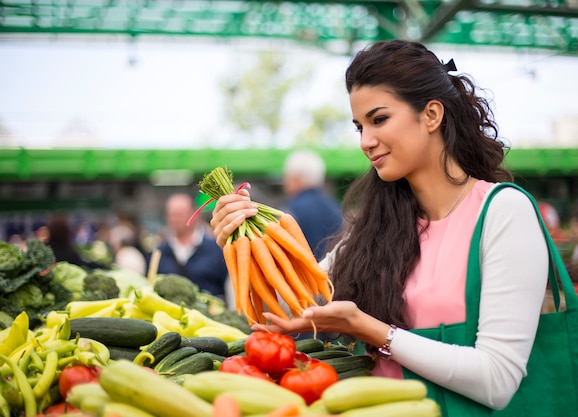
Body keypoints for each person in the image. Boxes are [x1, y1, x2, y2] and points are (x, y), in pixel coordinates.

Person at [210, 40, 550, 411]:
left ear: (432, 115)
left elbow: (497, 380)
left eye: (379, 119)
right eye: (359, 127)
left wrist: (372, 330)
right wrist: (246, 240)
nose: (366, 142)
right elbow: (294, 308)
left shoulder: (504, 212)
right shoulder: (375, 224)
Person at [150, 193, 229, 298]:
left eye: (180, 214)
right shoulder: (159, 252)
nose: (176, 219)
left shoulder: (216, 248)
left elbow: (228, 284)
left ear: (194, 214)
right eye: (172, 215)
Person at [282, 149, 343, 260]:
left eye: (287, 176)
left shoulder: (292, 209)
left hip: (302, 274)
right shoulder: (335, 207)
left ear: (297, 178)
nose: (285, 181)